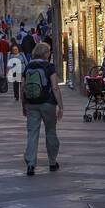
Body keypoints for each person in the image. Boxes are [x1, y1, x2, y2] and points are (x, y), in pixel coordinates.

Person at [21, 41, 63, 176]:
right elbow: (55, 87)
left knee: (32, 133)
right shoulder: (49, 67)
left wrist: (23, 105)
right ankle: (52, 162)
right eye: (49, 51)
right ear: (45, 53)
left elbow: (23, 88)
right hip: (48, 103)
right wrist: (60, 106)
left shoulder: (28, 67)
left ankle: (31, 164)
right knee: (50, 131)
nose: (50, 53)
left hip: (31, 104)